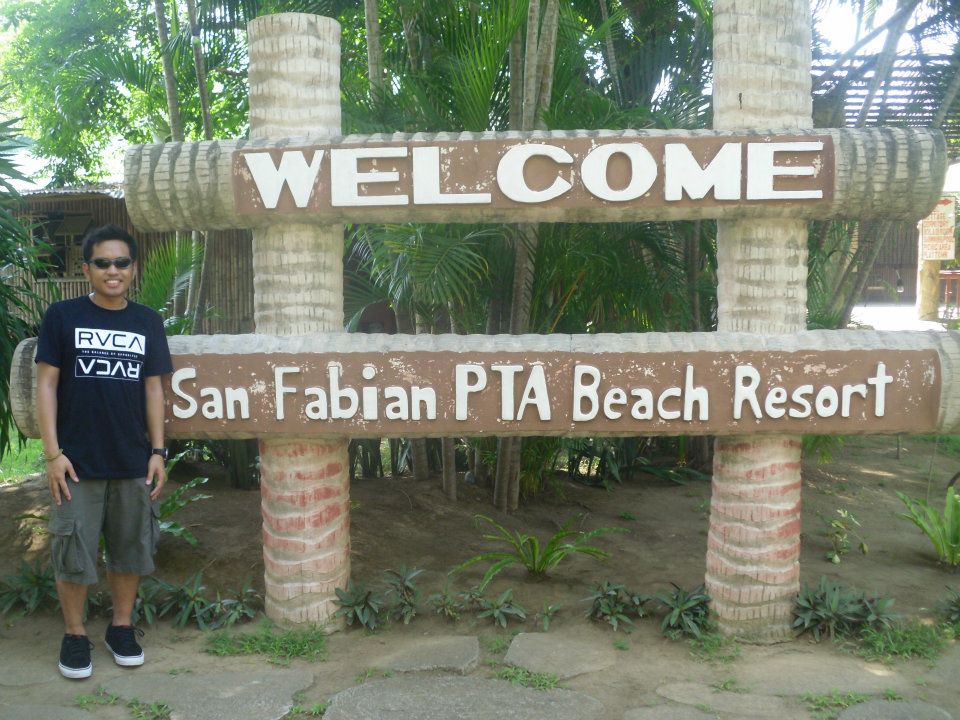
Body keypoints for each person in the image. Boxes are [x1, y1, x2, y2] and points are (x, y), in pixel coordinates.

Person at [35, 224, 173, 680]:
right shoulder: (62, 316)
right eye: (102, 263)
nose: (112, 271)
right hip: (75, 462)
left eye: (121, 262)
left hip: (133, 458)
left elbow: (154, 389)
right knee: (73, 552)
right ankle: (75, 635)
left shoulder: (147, 321)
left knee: (130, 550)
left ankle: (121, 627)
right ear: (86, 268)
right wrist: (53, 454)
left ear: (133, 268)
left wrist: (158, 451)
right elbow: (46, 384)